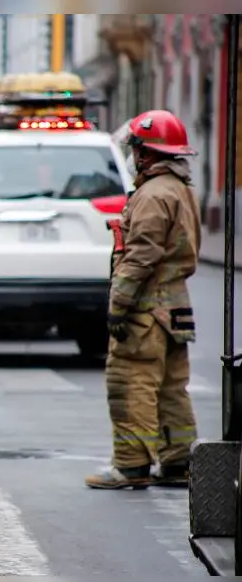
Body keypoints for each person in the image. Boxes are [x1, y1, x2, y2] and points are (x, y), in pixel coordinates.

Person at [85, 110, 200, 490]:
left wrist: (119, 304)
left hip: (146, 311)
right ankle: (177, 460)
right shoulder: (179, 189)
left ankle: (131, 465)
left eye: (136, 148)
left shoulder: (152, 194)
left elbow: (141, 256)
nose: (134, 156)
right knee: (170, 388)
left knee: (130, 382)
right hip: (175, 309)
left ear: (146, 154)